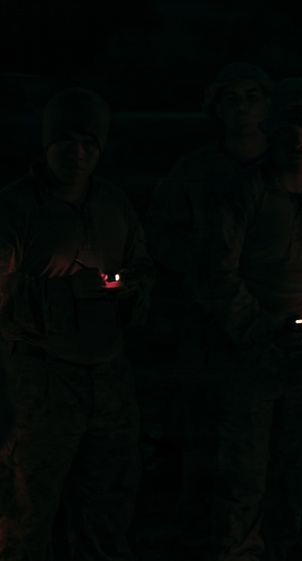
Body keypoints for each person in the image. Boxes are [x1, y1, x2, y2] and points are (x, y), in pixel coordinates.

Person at [197, 77, 302, 561]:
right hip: (245, 362)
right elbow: (216, 273)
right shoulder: (240, 196)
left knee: (294, 475)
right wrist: (264, 330)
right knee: (241, 479)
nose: (299, 139)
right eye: (289, 128)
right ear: (272, 133)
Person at [0, 87, 154, 560]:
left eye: (89, 142)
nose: (78, 153)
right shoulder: (16, 208)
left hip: (108, 379)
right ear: (46, 144)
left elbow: (142, 270)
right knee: (26, 514)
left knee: (106, 511)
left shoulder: (114, 203)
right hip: (38, 382)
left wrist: (127, 288)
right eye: (65, 140)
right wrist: (59, 293)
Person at [143, 62, 272, 557]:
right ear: (216, 108)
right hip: (204, 330)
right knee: (198, 440)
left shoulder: (288, 169)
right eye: (231, 98)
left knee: (261, 449)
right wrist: (205, 272)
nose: (242, 107)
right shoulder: (194, 171)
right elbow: (160, 235)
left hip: (269, 326)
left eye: (251, 96)